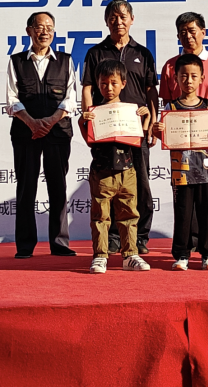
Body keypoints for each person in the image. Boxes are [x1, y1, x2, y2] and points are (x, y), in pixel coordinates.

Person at [81, 0, 158, 254]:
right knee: (109, 183)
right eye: (112, 17)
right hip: (106, 131)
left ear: (132, 20)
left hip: (135, 130)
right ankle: (113, 237)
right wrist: (89, 120)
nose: (118, 22)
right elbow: (88, 88)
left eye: (123, 16)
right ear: (106, 21)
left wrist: (152, 122)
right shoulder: (96, 53)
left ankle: (140, 236)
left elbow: (150, 90)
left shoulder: (143, 53)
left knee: (140, 183)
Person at [158, 12, 208, 253]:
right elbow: (167, 100)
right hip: (180, 130)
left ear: (203, 32)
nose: (188, 36)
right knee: (184, 184)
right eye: (182, 32)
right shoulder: (170, 65)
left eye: (192, 31)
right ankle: (189, 238)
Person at [6, 11, 78, 259]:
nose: (44, 31)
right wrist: (32, 123)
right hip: (25, 133)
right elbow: (11, 99)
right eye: (39, 27)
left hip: (58, 132)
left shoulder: (65, 61)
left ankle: (60, 243)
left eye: (49, 27)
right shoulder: (16, 61)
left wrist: (50, 121)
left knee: (58, 186)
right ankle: (25, 245)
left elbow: (70, 98)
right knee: (26, 187)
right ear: (29, 31)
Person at [79, 60, 151, 274]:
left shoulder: (131, 111)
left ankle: (130, 255)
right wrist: (83, 122)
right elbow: (89, 141)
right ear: (98, 85)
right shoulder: (95, 111)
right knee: (101, 216)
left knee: (129, 214)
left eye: (113, 83)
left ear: (123, 84)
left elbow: (139, 138)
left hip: (127, 169)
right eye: (103, 84)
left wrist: (146, 118)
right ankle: (100, 256)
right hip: (102, 170)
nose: (108, 88)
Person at [153, 53, 208, 270]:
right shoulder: (170, 108)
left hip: (205, 170)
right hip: (180, 170)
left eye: (193, 76)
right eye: (183, 76)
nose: (189, 80)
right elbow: (164, 137)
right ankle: (182, 254)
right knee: (182, 213)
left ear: (202, 78)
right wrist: (157, 131)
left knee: (205, 214)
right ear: (176, 78)